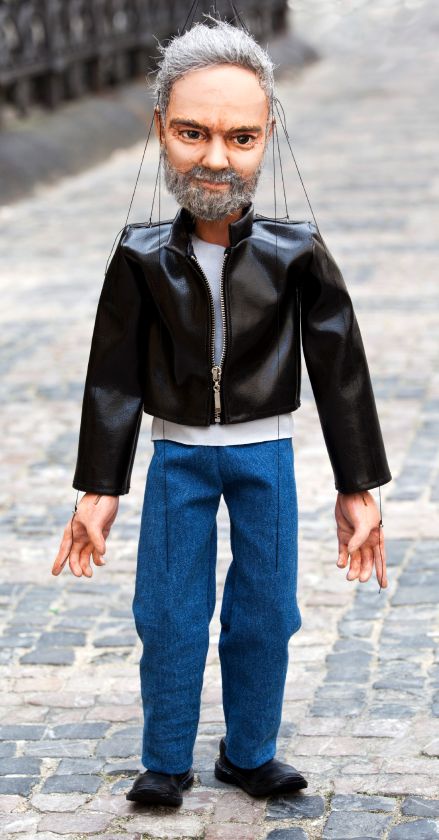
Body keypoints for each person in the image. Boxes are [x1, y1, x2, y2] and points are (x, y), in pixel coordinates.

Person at [52, 17, 392, 807]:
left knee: (267, 611)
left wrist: (358, 487)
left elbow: (339, 367)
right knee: (168, 610)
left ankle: (250, 753)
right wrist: (99, 488)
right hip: (176, 455)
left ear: (269, 134)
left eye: (240, 137)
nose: (215, 158)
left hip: (263, 454)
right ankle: (166, 759)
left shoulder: (293, 252)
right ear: (159, 131)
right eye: (191, 133)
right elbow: (113, 376)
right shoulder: (140, 257)